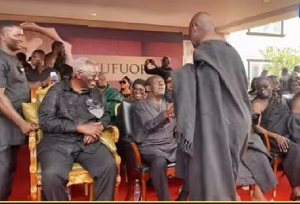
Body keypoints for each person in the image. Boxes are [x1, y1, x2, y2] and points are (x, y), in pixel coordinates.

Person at [172, 12, 251, 201]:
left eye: (190, 35)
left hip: (218, 123)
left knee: (212, 178)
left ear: (195, 28)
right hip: (238, 120)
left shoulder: (209, 51)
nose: (191, 41)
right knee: (225, 176)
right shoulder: (232, 52)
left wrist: (181, 75)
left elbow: (208, 94)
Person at [37, 57, 117, 201]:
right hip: (57, 143)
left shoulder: (96, 93)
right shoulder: (57, 91)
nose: (97, 79)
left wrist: (96, 130)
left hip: (88, 143)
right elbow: (45, 121)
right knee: (52, 174)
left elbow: (105, 116)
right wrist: (80, 127)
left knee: (109, 166)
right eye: (93, 76)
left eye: (98, 75)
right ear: (79, 74)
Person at [0, 21, 39, 200]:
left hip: (12, 124)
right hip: (3, 125)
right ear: (3, 36)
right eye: (17, 35)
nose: (21, 39)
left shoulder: (12, 59)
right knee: (2, 171)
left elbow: (17, 87)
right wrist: (22, 123)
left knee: (8, 170)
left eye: (22, 35)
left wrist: (41, 84)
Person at [252, 77, 300, 201]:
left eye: (265, 86)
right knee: (295, 148)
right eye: (259, 87)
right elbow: (255, 127)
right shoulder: (257, 104)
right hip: (271, 139)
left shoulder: (280, 99)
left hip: (287, 134)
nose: (262, 90)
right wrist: (276, 136)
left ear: (272, 86)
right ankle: (295, 190)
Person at [132, 75, 177, 200]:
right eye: (158, 83)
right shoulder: (140, 105)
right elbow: (148, 126)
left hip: (170, 145)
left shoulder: (168, 104)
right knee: (159, 162)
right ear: (147, 88)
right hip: (150, 147)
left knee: (194, 154)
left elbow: (177, 127)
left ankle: (184, 195)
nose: (162, 84)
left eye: (163, 83)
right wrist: (165, 114)